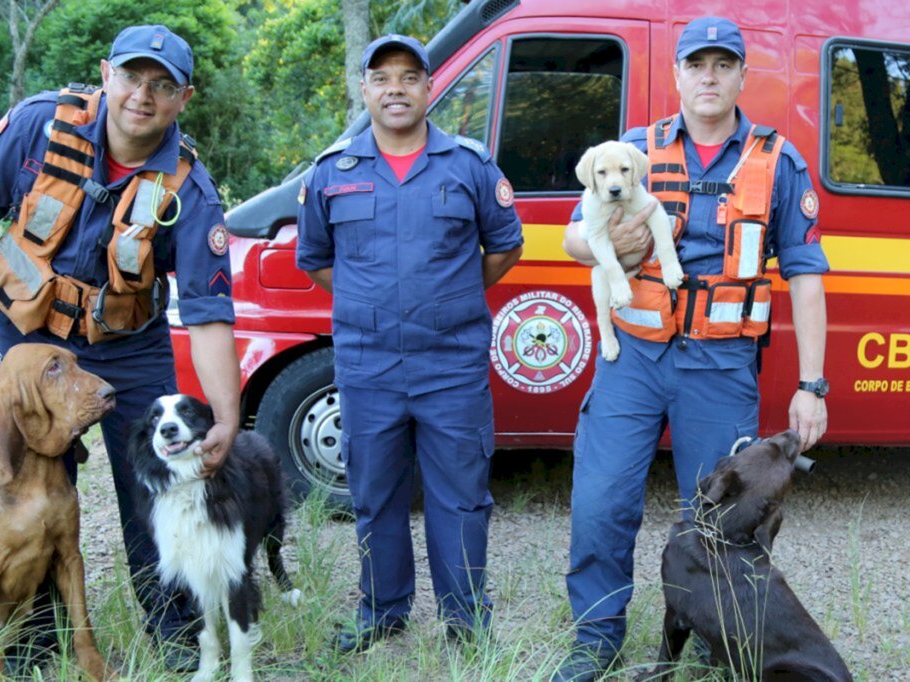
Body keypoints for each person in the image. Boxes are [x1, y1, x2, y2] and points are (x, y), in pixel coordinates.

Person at [0, 24, 240, 674]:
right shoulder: (38, 128)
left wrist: (226, 415)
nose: (142, 96)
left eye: (162, 86)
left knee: (158, 487)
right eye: (132, 77)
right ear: (106, 74)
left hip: (126, 346)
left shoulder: (190, 190)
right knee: (24, 482)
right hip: (24, 334)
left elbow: (210, 315)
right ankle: (37, 642)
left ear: (185, 97)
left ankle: (177, 639)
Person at [553, 17, 828, 681]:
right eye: (696, 64)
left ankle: (713, 638)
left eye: (722, 64)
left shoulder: (778, 160)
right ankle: (596, 640)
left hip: (721, 364)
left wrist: (812, 385)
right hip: (634, 361)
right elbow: (571, 240)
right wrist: (604, 247)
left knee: (719, 520)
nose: (709, 75)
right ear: (676, 74)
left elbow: (806, 274)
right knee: (601, 504)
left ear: (740, 75)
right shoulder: (631, 153)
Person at [296, 34, 523, 652]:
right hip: (369, 365)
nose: (395, 89)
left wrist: (449, 295)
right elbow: (315, 258)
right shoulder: (331, 172)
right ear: (364, 89)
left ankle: (466, 619)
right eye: (382, 78)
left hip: (450, 363)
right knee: (375, 496)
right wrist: (370, 302)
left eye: (408, 77)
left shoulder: (469, 165)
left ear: (428, 88)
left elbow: (504, 246)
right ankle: (381, 611)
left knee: (461, 499)